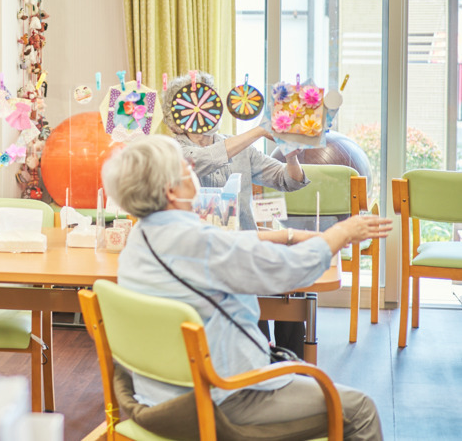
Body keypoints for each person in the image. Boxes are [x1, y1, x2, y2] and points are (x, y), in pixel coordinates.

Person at [103, 135, 391, 440]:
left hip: (156, 396)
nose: (192, 166)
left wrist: (288, 235)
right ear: (171, 190)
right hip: (223, 399)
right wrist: (341, 232)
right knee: (361, 409)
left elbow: (225, 243)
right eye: (184, 165)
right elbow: (289, 271)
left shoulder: (139, 240)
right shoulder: (201, 243)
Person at [165, 71, 309, 354]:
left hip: (245, 249)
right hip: (199, 257)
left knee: (292, 288)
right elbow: (200, 161)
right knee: (247, 313)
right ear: (176, 116)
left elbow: (287, 180)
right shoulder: (172, 150)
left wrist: (292, 156)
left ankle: (290, 366)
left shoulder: (239, 145)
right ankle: (255, 362)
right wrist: (259, 130)